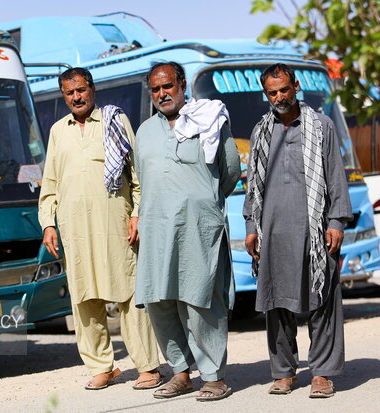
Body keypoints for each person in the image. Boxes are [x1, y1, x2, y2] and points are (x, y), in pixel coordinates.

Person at [38, 67, 161, 391]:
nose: (76, 97)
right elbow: (50, 184)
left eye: (80, 90)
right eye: (69, 93)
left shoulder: (114, 121)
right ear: (63, 96)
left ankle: (148, 366)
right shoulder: (57, 131)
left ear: (91, 90)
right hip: (74, 229)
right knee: (83, 297)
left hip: (115, 224)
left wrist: (137, 215)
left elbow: (137, 177)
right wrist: (48, 223)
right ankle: (101, 366)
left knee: (130, 295)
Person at [243, 63, 352, 398]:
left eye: (284, 90)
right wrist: (251, 226)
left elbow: (335, 174)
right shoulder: (262, 130)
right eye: (272, 92)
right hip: (272, 232)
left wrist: (336, 221)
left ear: (296, 86)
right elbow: (254, 186)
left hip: (315, 230)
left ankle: (322, 374)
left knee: (323, 300)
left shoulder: (321, 125)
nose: (279, 97)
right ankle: (284, 372)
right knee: (276, 304)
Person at [134, 62, 240, 402]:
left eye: (168, 86)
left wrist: (201, 201)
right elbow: (143, 179)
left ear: (182, 86)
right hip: (156, 229)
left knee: (200, 301)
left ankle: (214, 376)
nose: (162, 94)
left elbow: (230, 170)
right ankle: (180, 372)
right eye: (155, 89)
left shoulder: (209, 120)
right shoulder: (145, 131)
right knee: (159, 300)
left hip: (198, 228)